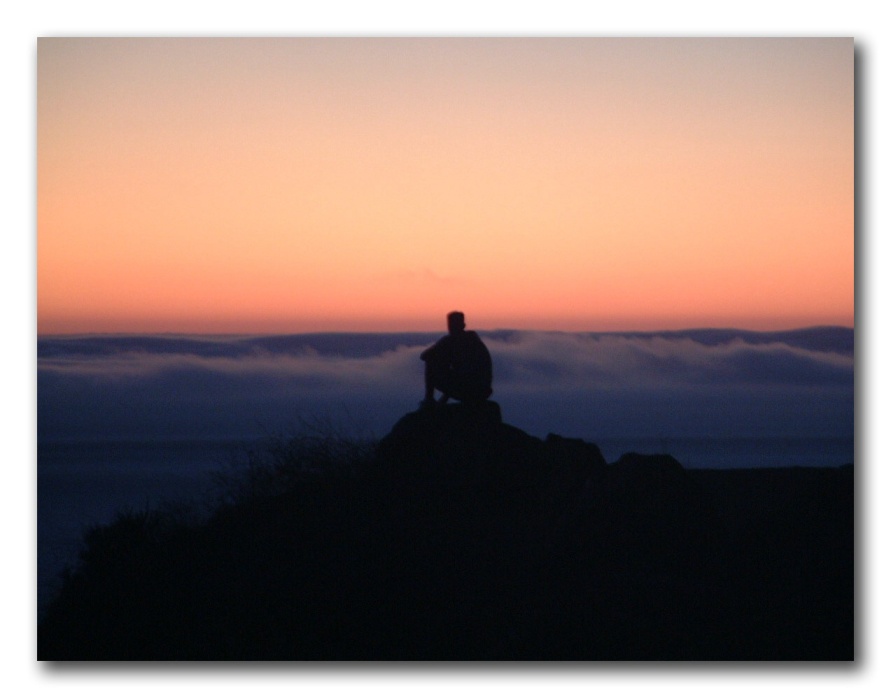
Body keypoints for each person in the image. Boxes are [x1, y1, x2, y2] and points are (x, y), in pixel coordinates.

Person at [420, 311, 493, 406]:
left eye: (453, 325)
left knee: (432, 362)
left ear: (463, 325)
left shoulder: (451, 341)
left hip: (470, 389)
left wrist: (438, 346)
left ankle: (429, 400)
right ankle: (435, 401)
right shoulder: (473, 339)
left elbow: (425, 356)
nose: (451, 328)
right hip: (482, 391)